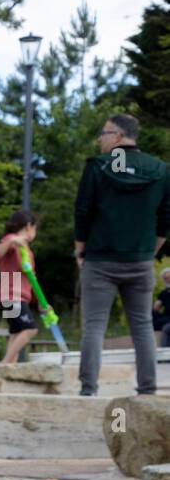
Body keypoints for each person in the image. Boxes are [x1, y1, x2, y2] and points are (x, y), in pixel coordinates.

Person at [74, 113, 169, 396]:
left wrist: (80, 250)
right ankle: (148, 389)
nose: (100, 139)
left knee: (94, 326)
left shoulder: (96, 167)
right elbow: (166, 218)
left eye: (103, 134)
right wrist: (150, 250)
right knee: (141, 325)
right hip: (139, 260)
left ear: (116, 136)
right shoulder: (161, 170)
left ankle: (88, 390)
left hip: (100, 259)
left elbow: (83, 211)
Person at [0, 210, 41, 364]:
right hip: (11, 295)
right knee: (30, 329)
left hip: (18, 296)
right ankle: (5, 363)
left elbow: (32, 277)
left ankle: (9, 367)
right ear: (29, 226)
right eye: (35, 229)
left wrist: (41, 303)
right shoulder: (11, 241)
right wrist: (12, 242)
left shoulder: (25, 248)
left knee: (16, 333)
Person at [154, 267, 170, 348]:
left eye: (168, 277)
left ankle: (165, 356)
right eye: (165, 278)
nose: (167, 279)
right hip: (166, 317)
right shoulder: (164, 292)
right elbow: (156, 307)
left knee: (166, 329)